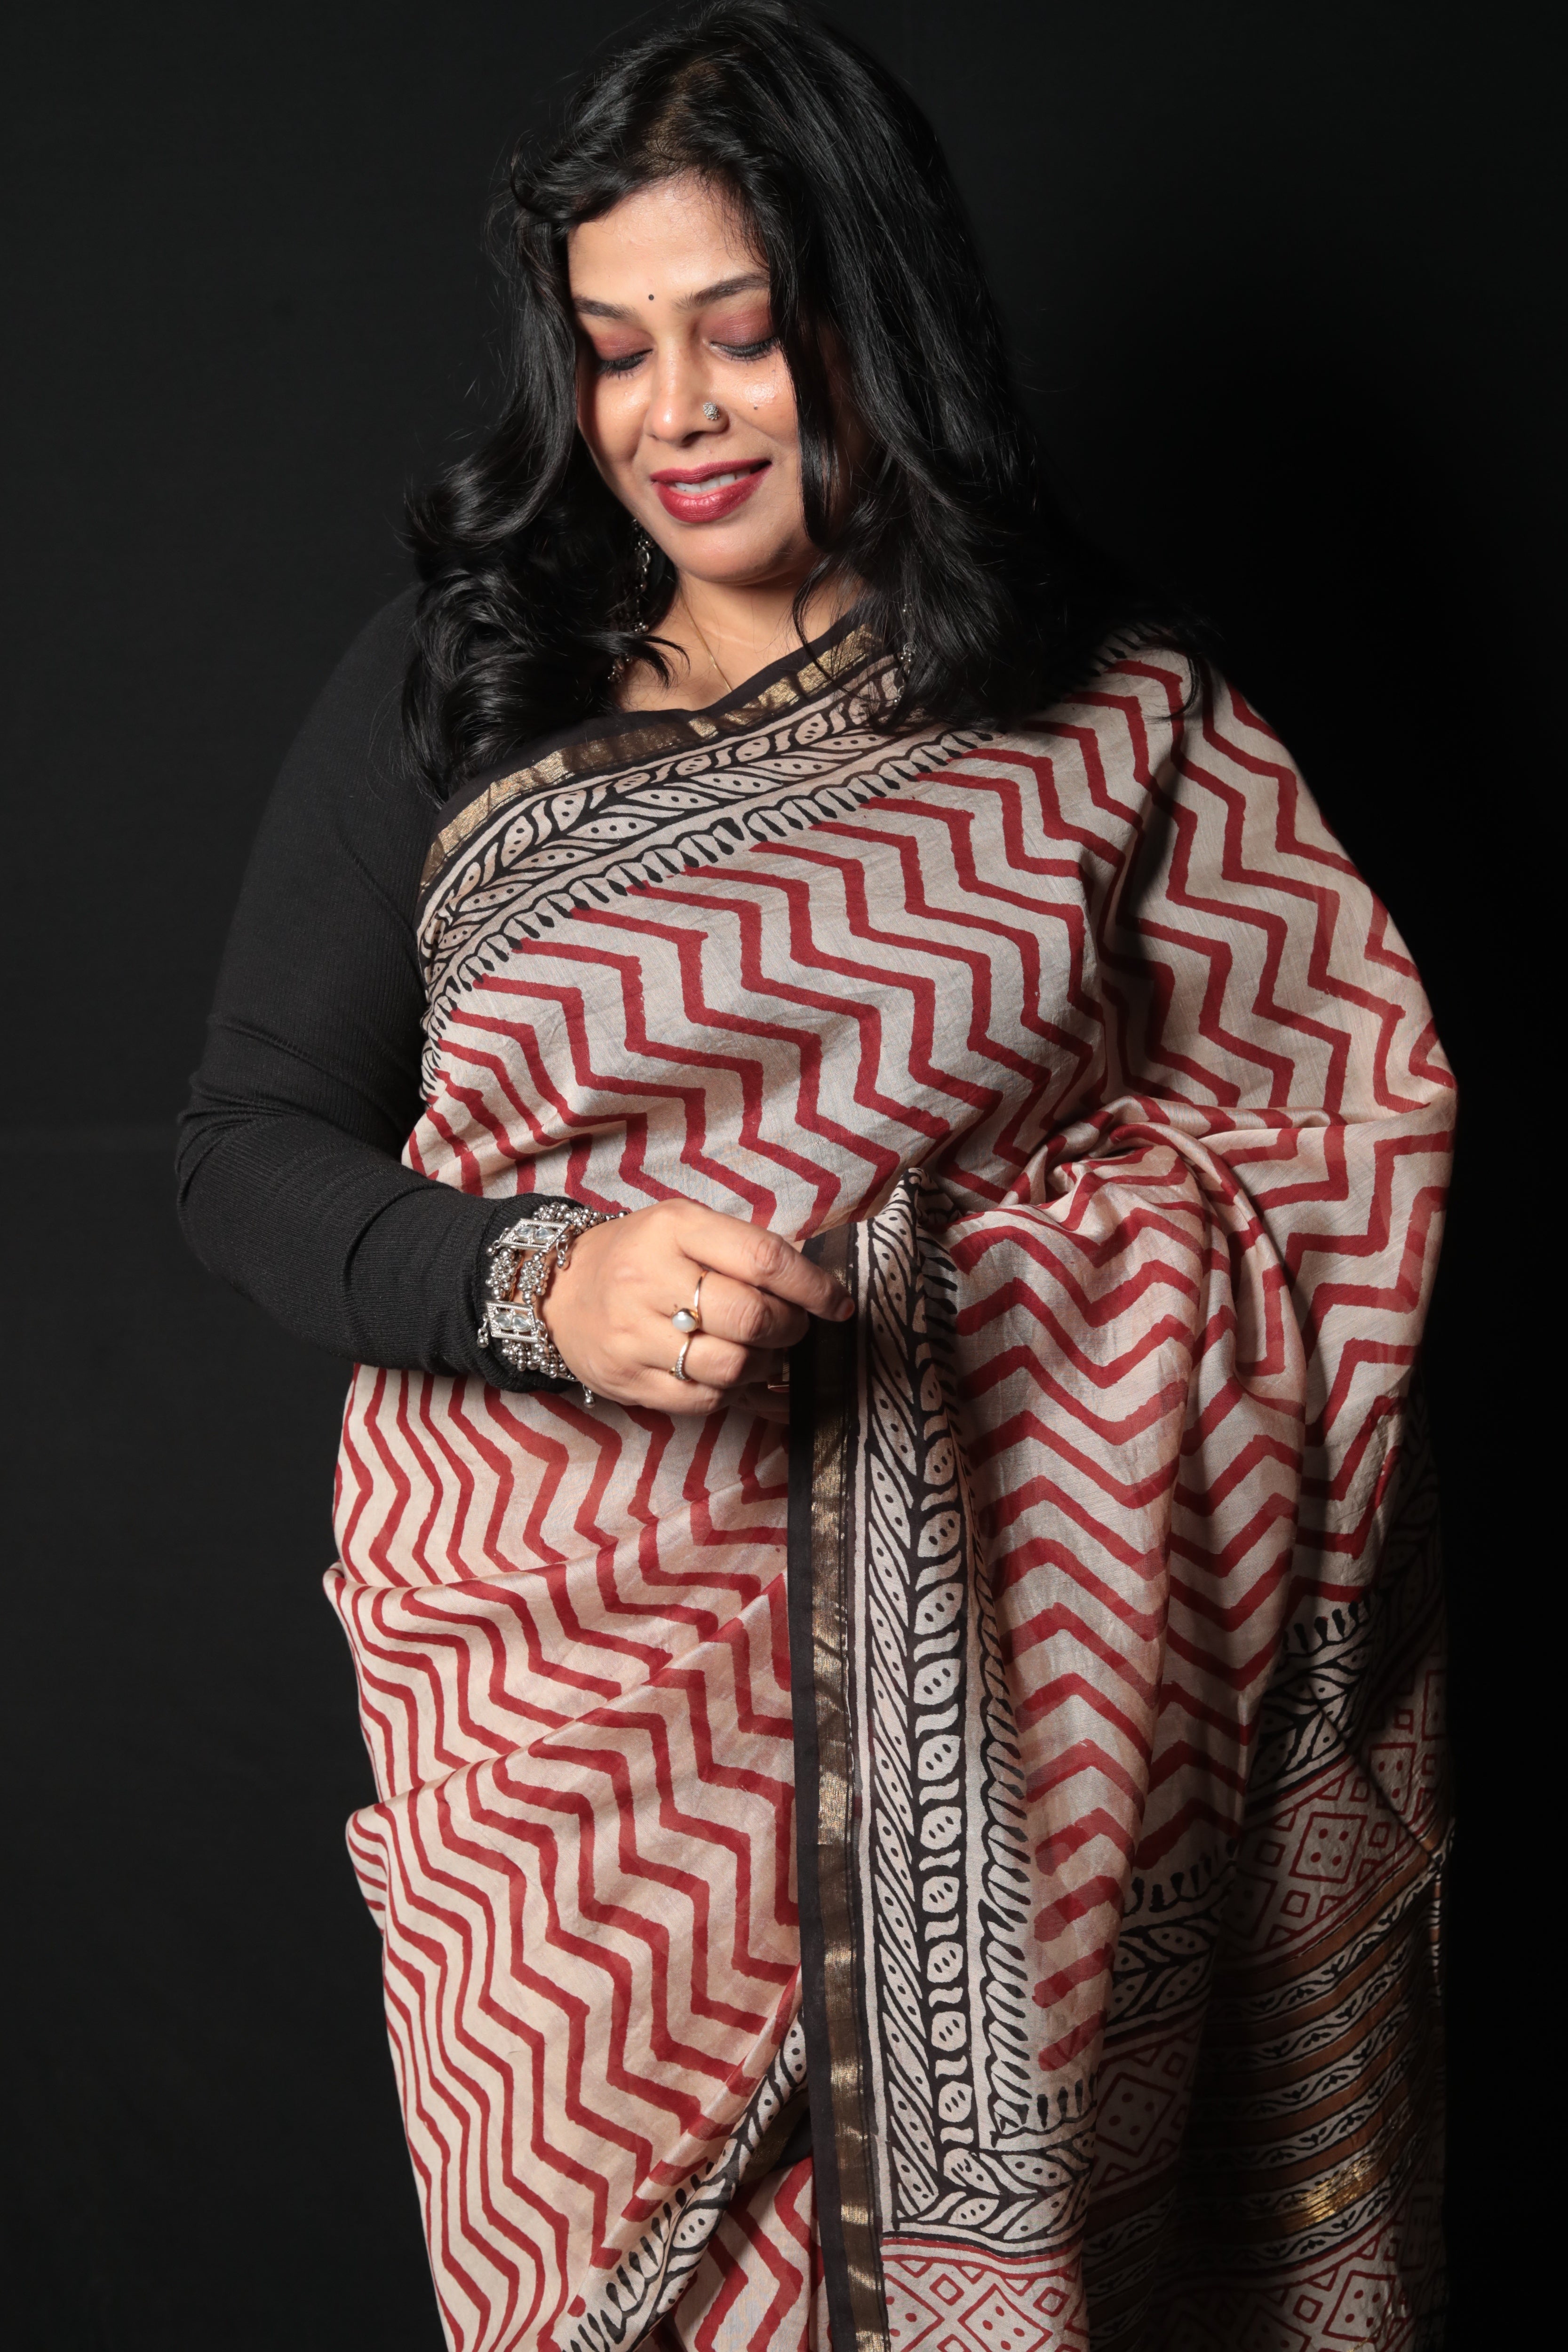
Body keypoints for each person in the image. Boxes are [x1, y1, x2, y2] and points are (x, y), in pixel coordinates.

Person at [178, 5, 1454, 2347]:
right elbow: (244, 1149)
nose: (674, 413)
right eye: (615, 348)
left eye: (742, 333)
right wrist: (539, 1283)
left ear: (880, 308)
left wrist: (978, 1302)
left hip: (1029, 1737)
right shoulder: (464, 680)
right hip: (561, 1743)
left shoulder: (1106, 713)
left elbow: (1333, 1136)